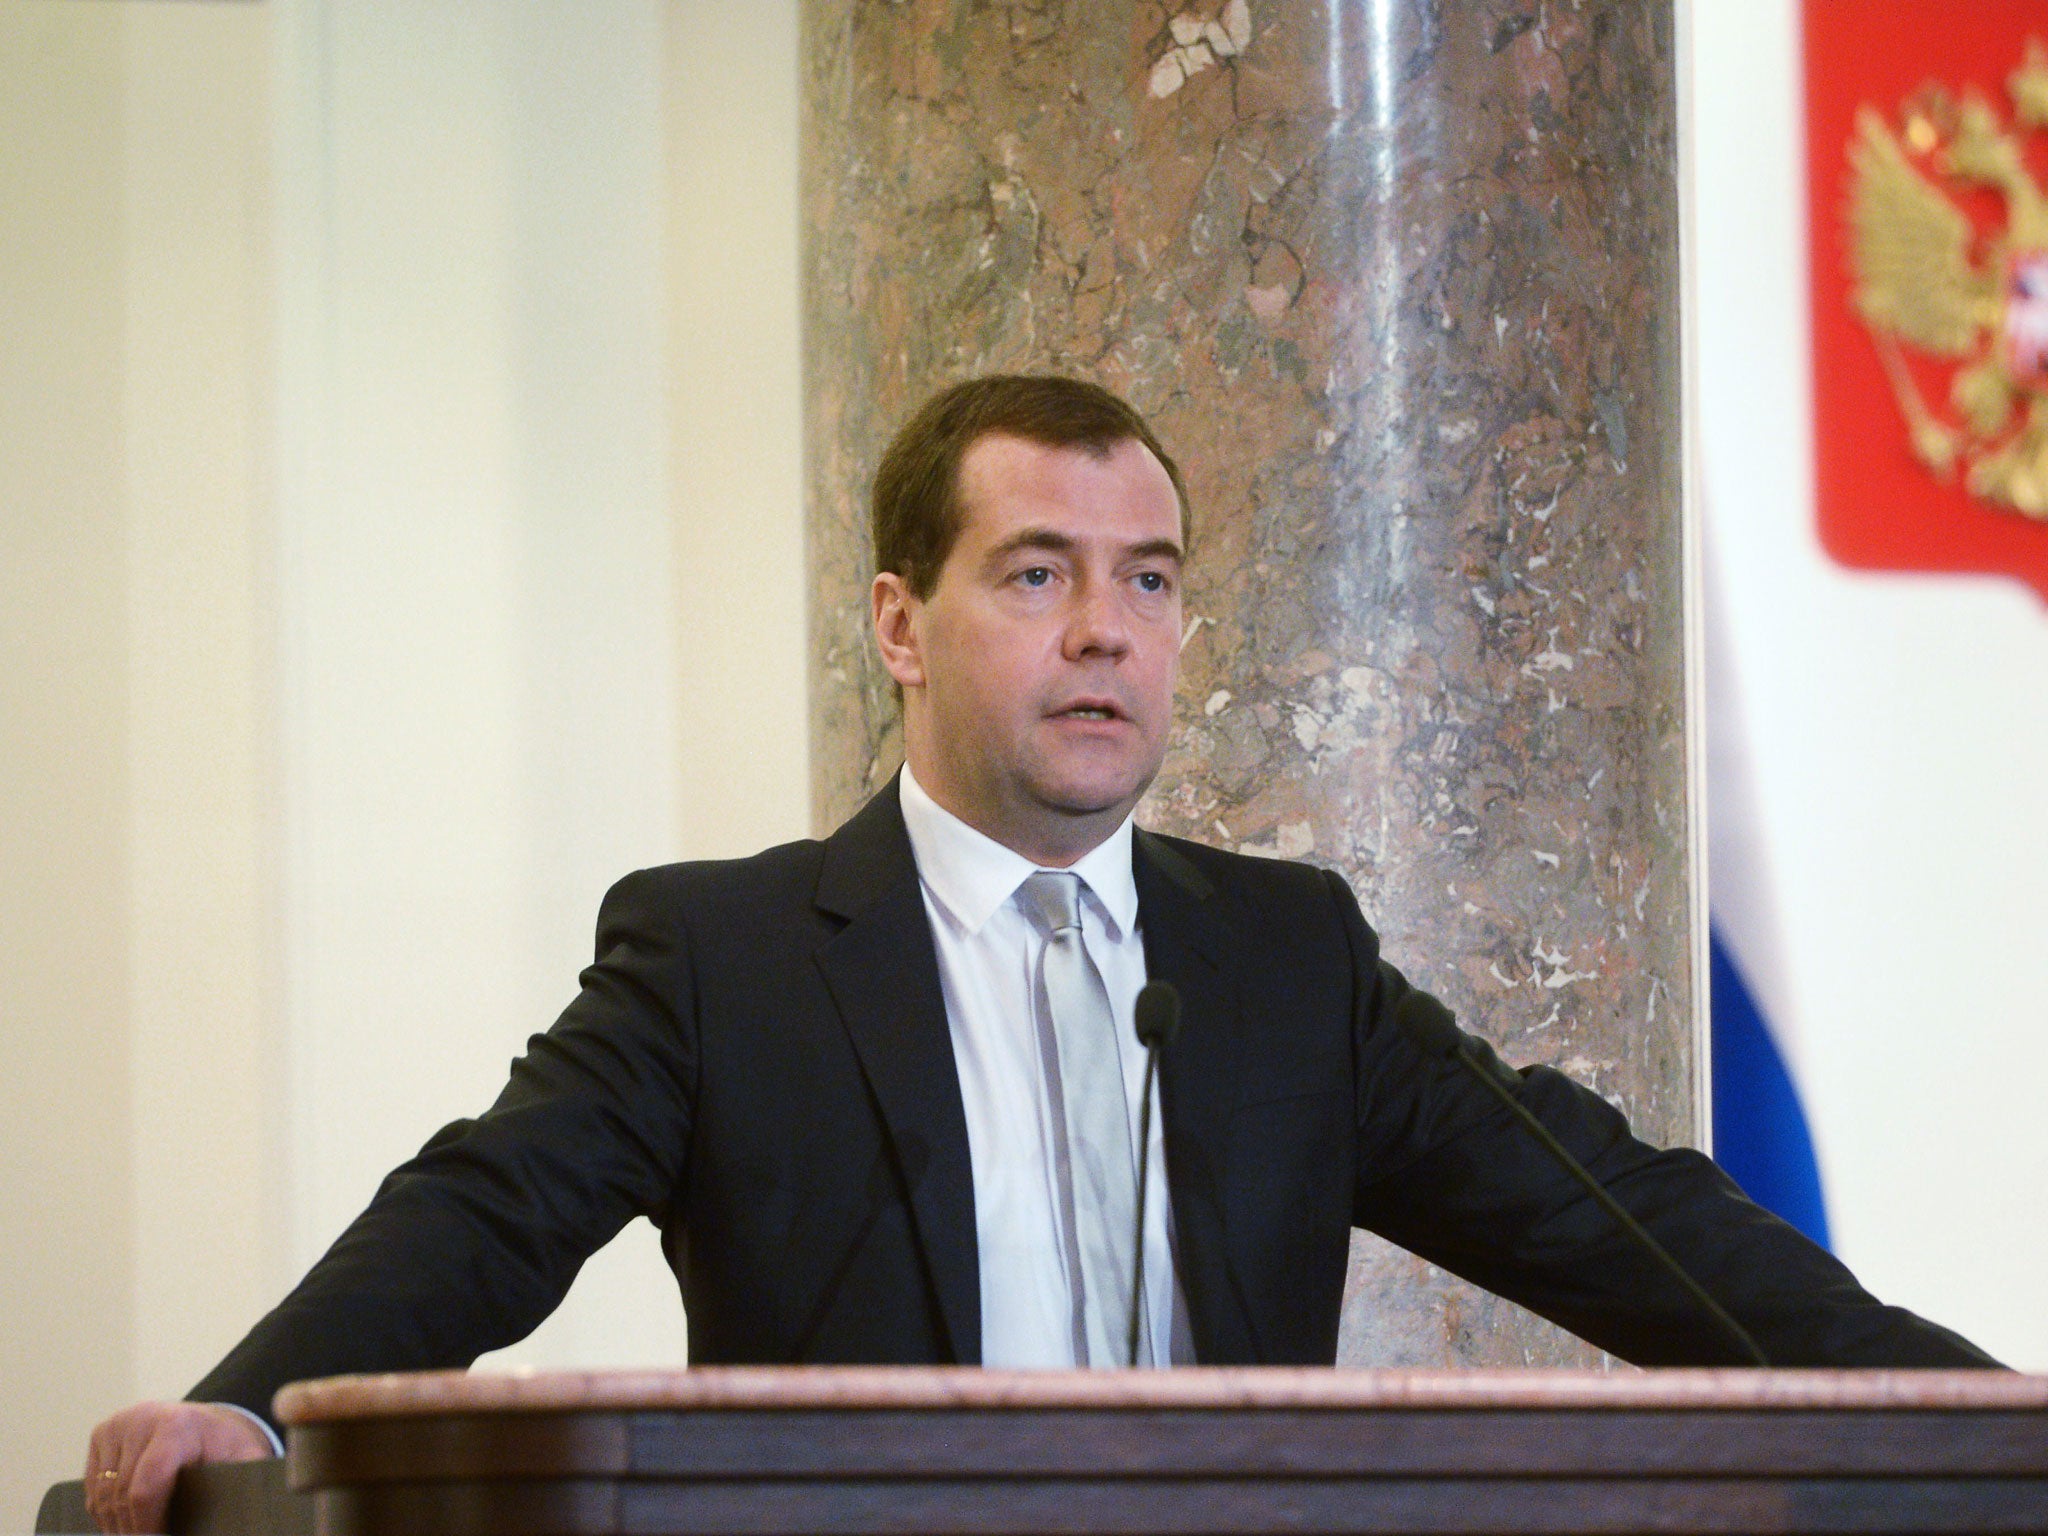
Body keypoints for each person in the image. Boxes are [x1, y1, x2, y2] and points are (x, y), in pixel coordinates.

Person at [83, 374, 1997, 1535]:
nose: (1107, 631)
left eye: (1148, 579)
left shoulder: (1277, 960)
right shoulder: (729, 958)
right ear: (905, 628)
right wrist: (246, 1406)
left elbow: (1615, 1216)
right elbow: (487, 1213)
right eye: (1038, 573)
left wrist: (1978, 1420)